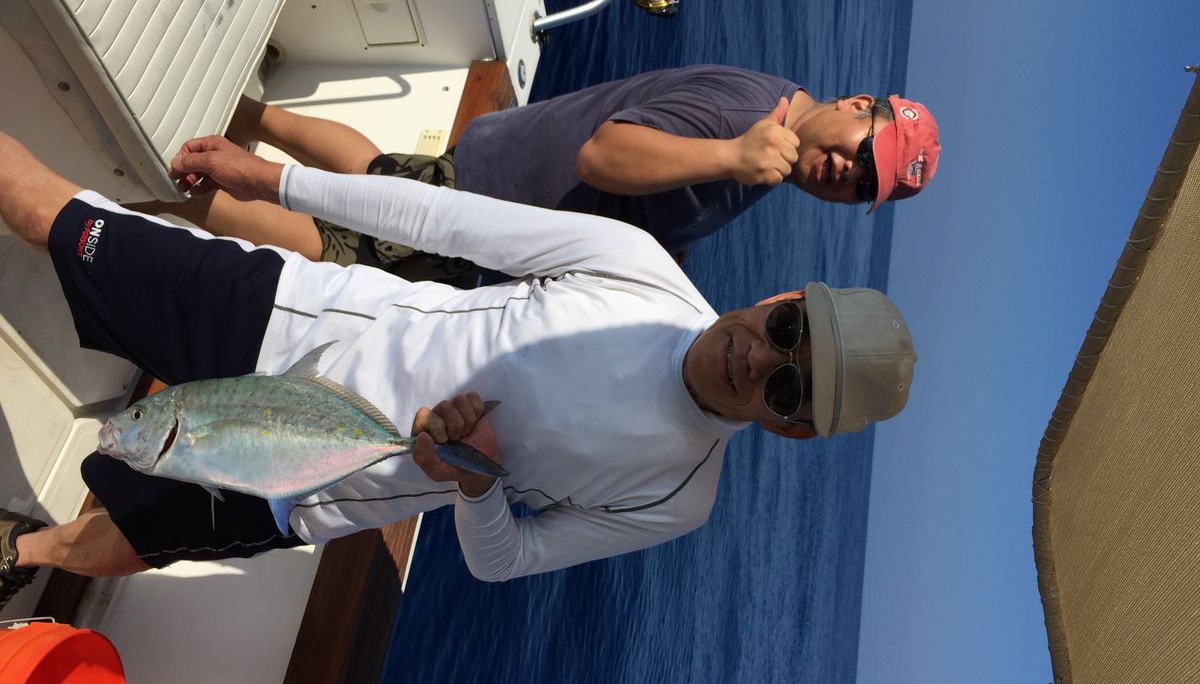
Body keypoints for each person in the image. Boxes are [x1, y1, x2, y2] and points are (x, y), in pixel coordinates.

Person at [0, 130, 916, 602]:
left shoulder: (679, 498)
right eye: (788, 327)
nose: (758, 356)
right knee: (55, 216)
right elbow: (442, 219)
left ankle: (14, 550)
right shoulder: (641, 267)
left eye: (787, 385)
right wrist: (273, 180)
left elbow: (505, 561)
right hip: (282, 317)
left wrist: (475, 485)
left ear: (792, 428)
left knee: (128, 542)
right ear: (786, 294)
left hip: (307, 485)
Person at [138, 65, 941, 280]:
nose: (845, 171)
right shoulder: (747, 123)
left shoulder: (776, 142)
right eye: (862, 152)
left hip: (497, 170)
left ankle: (249, 113)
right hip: (498, 197)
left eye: (862, 186)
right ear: (856, 105)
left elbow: (667, 194)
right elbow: (606, 154)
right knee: (336, 249)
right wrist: (730, 158)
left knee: (377, 168)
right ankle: (160, 186)